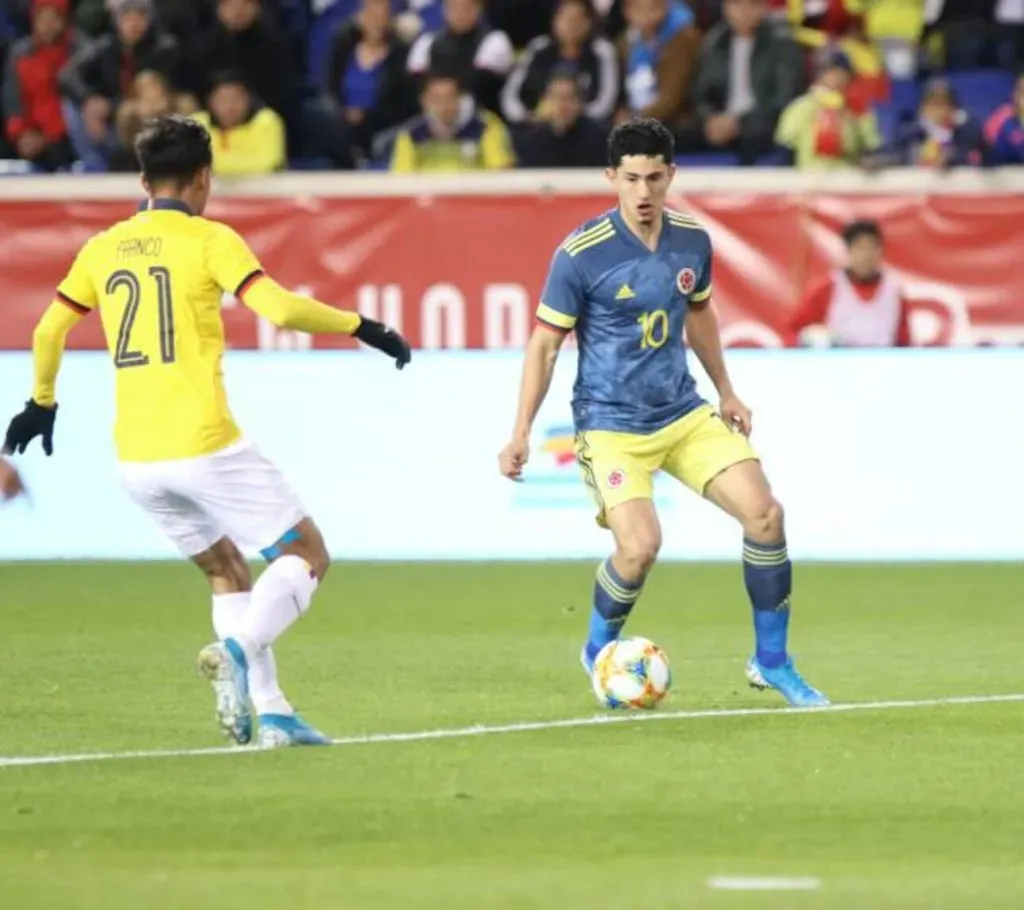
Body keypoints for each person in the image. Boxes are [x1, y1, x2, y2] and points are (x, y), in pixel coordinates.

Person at [3, 116, 411, 749]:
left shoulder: (102, 247)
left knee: (226, 569)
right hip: (203, 442)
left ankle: (272, 714)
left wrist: (42, 401)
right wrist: (362, 325)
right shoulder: (209, 240)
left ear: (141, 181)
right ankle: (240, 651)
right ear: (203, 178)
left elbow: (48, 330)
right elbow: (277, 307)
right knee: (306, 555)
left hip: (136, 458)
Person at [497, 118, 828, 708]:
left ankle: (772, 662)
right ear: (611, 178)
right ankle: (599, 650)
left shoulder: (692, 241)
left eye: (654, 177)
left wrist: (726, 389)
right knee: (639, 547)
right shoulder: (580, 255)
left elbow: (698, 313)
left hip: (683, 413)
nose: (643, 192)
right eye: (631, 179)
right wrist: (521, 429)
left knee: (766, 516)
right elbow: (545, 344)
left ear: (671, 175)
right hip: (611, 426)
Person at [788, 219, 911, 348]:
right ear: (848, 250)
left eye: (872, 247)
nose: (866, 255)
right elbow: (792, 333)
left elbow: (904, 341)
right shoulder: (827, 289)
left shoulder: (893, 291)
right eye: (861, 248)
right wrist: (808, 342)